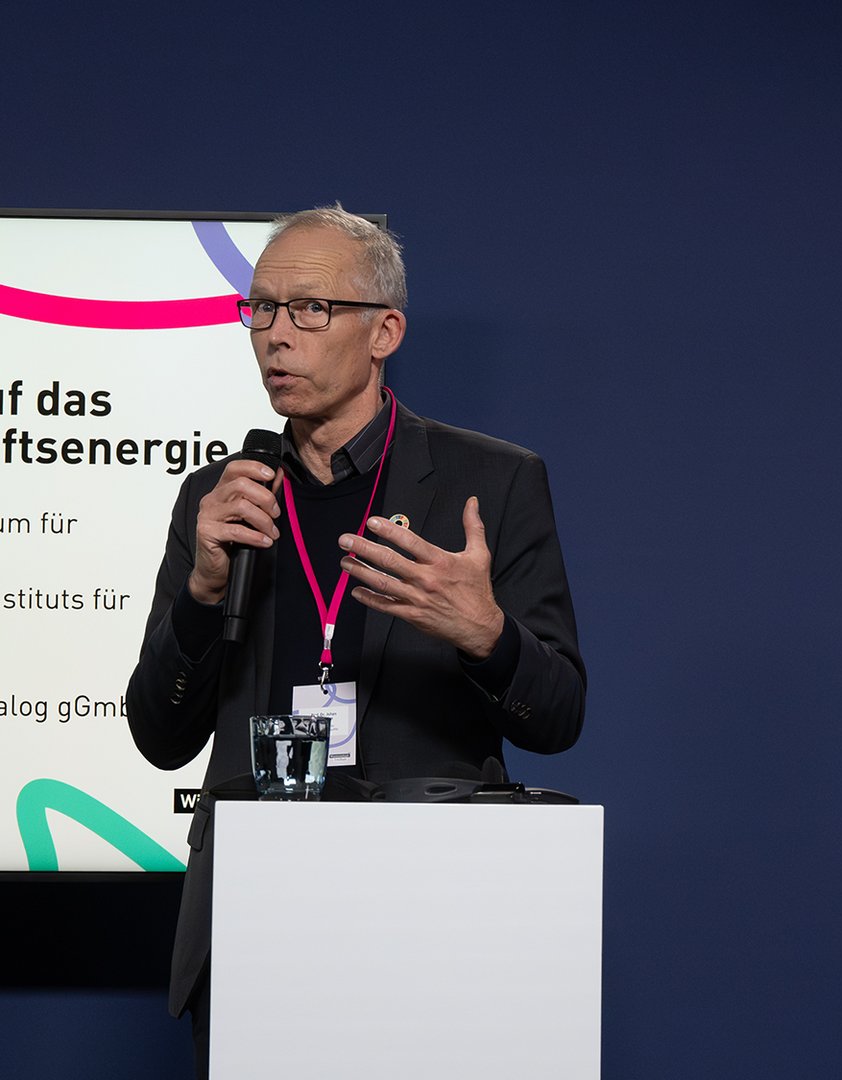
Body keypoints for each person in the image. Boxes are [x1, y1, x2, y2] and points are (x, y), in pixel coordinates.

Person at [125, 205, 587, 1074]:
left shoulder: (491, 482)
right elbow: (159, 734)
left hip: (434, 925)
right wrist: (200, 595)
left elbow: (558, 715)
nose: (275, 337)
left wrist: (486, 635)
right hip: (252, 931)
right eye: (259, 309)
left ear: (385, 332)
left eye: (309, 309)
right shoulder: (219, 500)